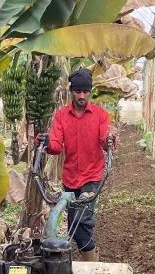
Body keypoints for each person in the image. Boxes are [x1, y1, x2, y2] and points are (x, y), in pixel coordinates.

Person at [38, 68, 116, 262]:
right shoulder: (61, 116)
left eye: (85, 92)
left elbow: (104, 141)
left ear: (90, 92)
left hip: (92, 175)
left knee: (83, 218)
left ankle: (92, 261)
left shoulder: (100, 115)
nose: (82, 96)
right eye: (78, 91)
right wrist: (46, 143)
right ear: (71, 91)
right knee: (74, 221)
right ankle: (89, 255)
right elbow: (56, 146)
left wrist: (109, 139)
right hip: (70, 176)